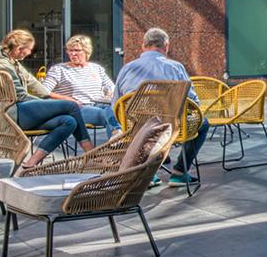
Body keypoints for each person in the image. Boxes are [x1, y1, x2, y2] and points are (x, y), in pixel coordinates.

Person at [0, 29, 85, 171]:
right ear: (19, 49)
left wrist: (49, 97)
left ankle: (31, 162)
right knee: (70, 106)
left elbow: (32, 83)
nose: (30, 53)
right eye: (29, 49)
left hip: (18, 110)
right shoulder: (0, 64)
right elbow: (19, 95)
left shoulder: (12, 62)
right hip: (7, 114)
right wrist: (48, 105)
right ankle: (90, 152)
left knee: (69, 121)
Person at [115, 28, 206, 183]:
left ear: (143, 45)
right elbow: (193, 101)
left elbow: (116, 104)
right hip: (170, 127)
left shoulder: (127, 69)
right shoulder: (175, 67)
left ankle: (147, 174)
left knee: (144, 127)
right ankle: (179, 172)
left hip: (135, 127)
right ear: (166, 46)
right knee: (203, 123)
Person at [46, 35, 119, 136]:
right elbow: (44, 91)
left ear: (86, 51)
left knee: (117, 111)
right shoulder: (59, 70)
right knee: (108, 115)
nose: (73, 54)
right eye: (70, 50)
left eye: (77, 50)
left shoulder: (96, 68)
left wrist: (110, 93)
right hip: (77, 108)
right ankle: (117, 137)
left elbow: (112, 87)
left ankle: (116, 137)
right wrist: (67, 99)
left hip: (99, 104)